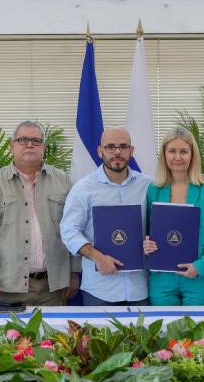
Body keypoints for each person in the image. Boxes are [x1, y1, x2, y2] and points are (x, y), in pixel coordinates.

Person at [0, 121, 79, 306]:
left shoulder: (64, 182)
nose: (30, 145)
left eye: (36, 141)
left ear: (43, 147)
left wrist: (74, 272)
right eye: (22, 140)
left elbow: (75, 229)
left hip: (53, 289)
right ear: (11, 146)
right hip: (9, 289)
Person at [60, 127, 151, 306]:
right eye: (110, 147)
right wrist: (97, 257)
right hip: (100, 291)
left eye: (123, 146)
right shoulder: (83, 188)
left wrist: (198, 181)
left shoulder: (148, 185)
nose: (117, 152)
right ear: (100, 151)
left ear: (131, 151)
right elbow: (69, 231)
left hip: (139, 289)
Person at [141, 127, 204, 305]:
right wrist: (146, 244)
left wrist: (200, 266)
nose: (177, 157)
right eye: (172, 151)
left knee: (201, 324)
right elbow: (148, 233)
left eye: (183, 151)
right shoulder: (154, 189)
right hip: (162, 279)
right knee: (163, 325)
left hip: (198, 276)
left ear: (192, 155)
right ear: (164, 155)